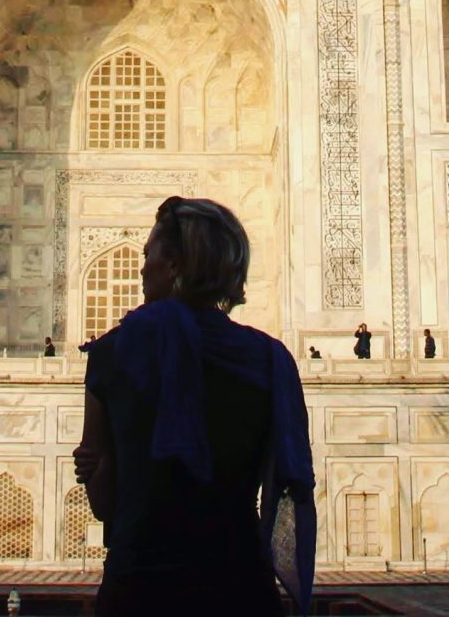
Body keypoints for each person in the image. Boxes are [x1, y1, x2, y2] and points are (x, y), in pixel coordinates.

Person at [74, 196, 315, 615]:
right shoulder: (270, 361)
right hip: (240, 586)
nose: (141, 265)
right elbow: (276, 477)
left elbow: (104, 502)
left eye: (148, 254)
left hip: (141, 588)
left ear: (174, 267)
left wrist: (94, 464)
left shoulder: (116, 352)